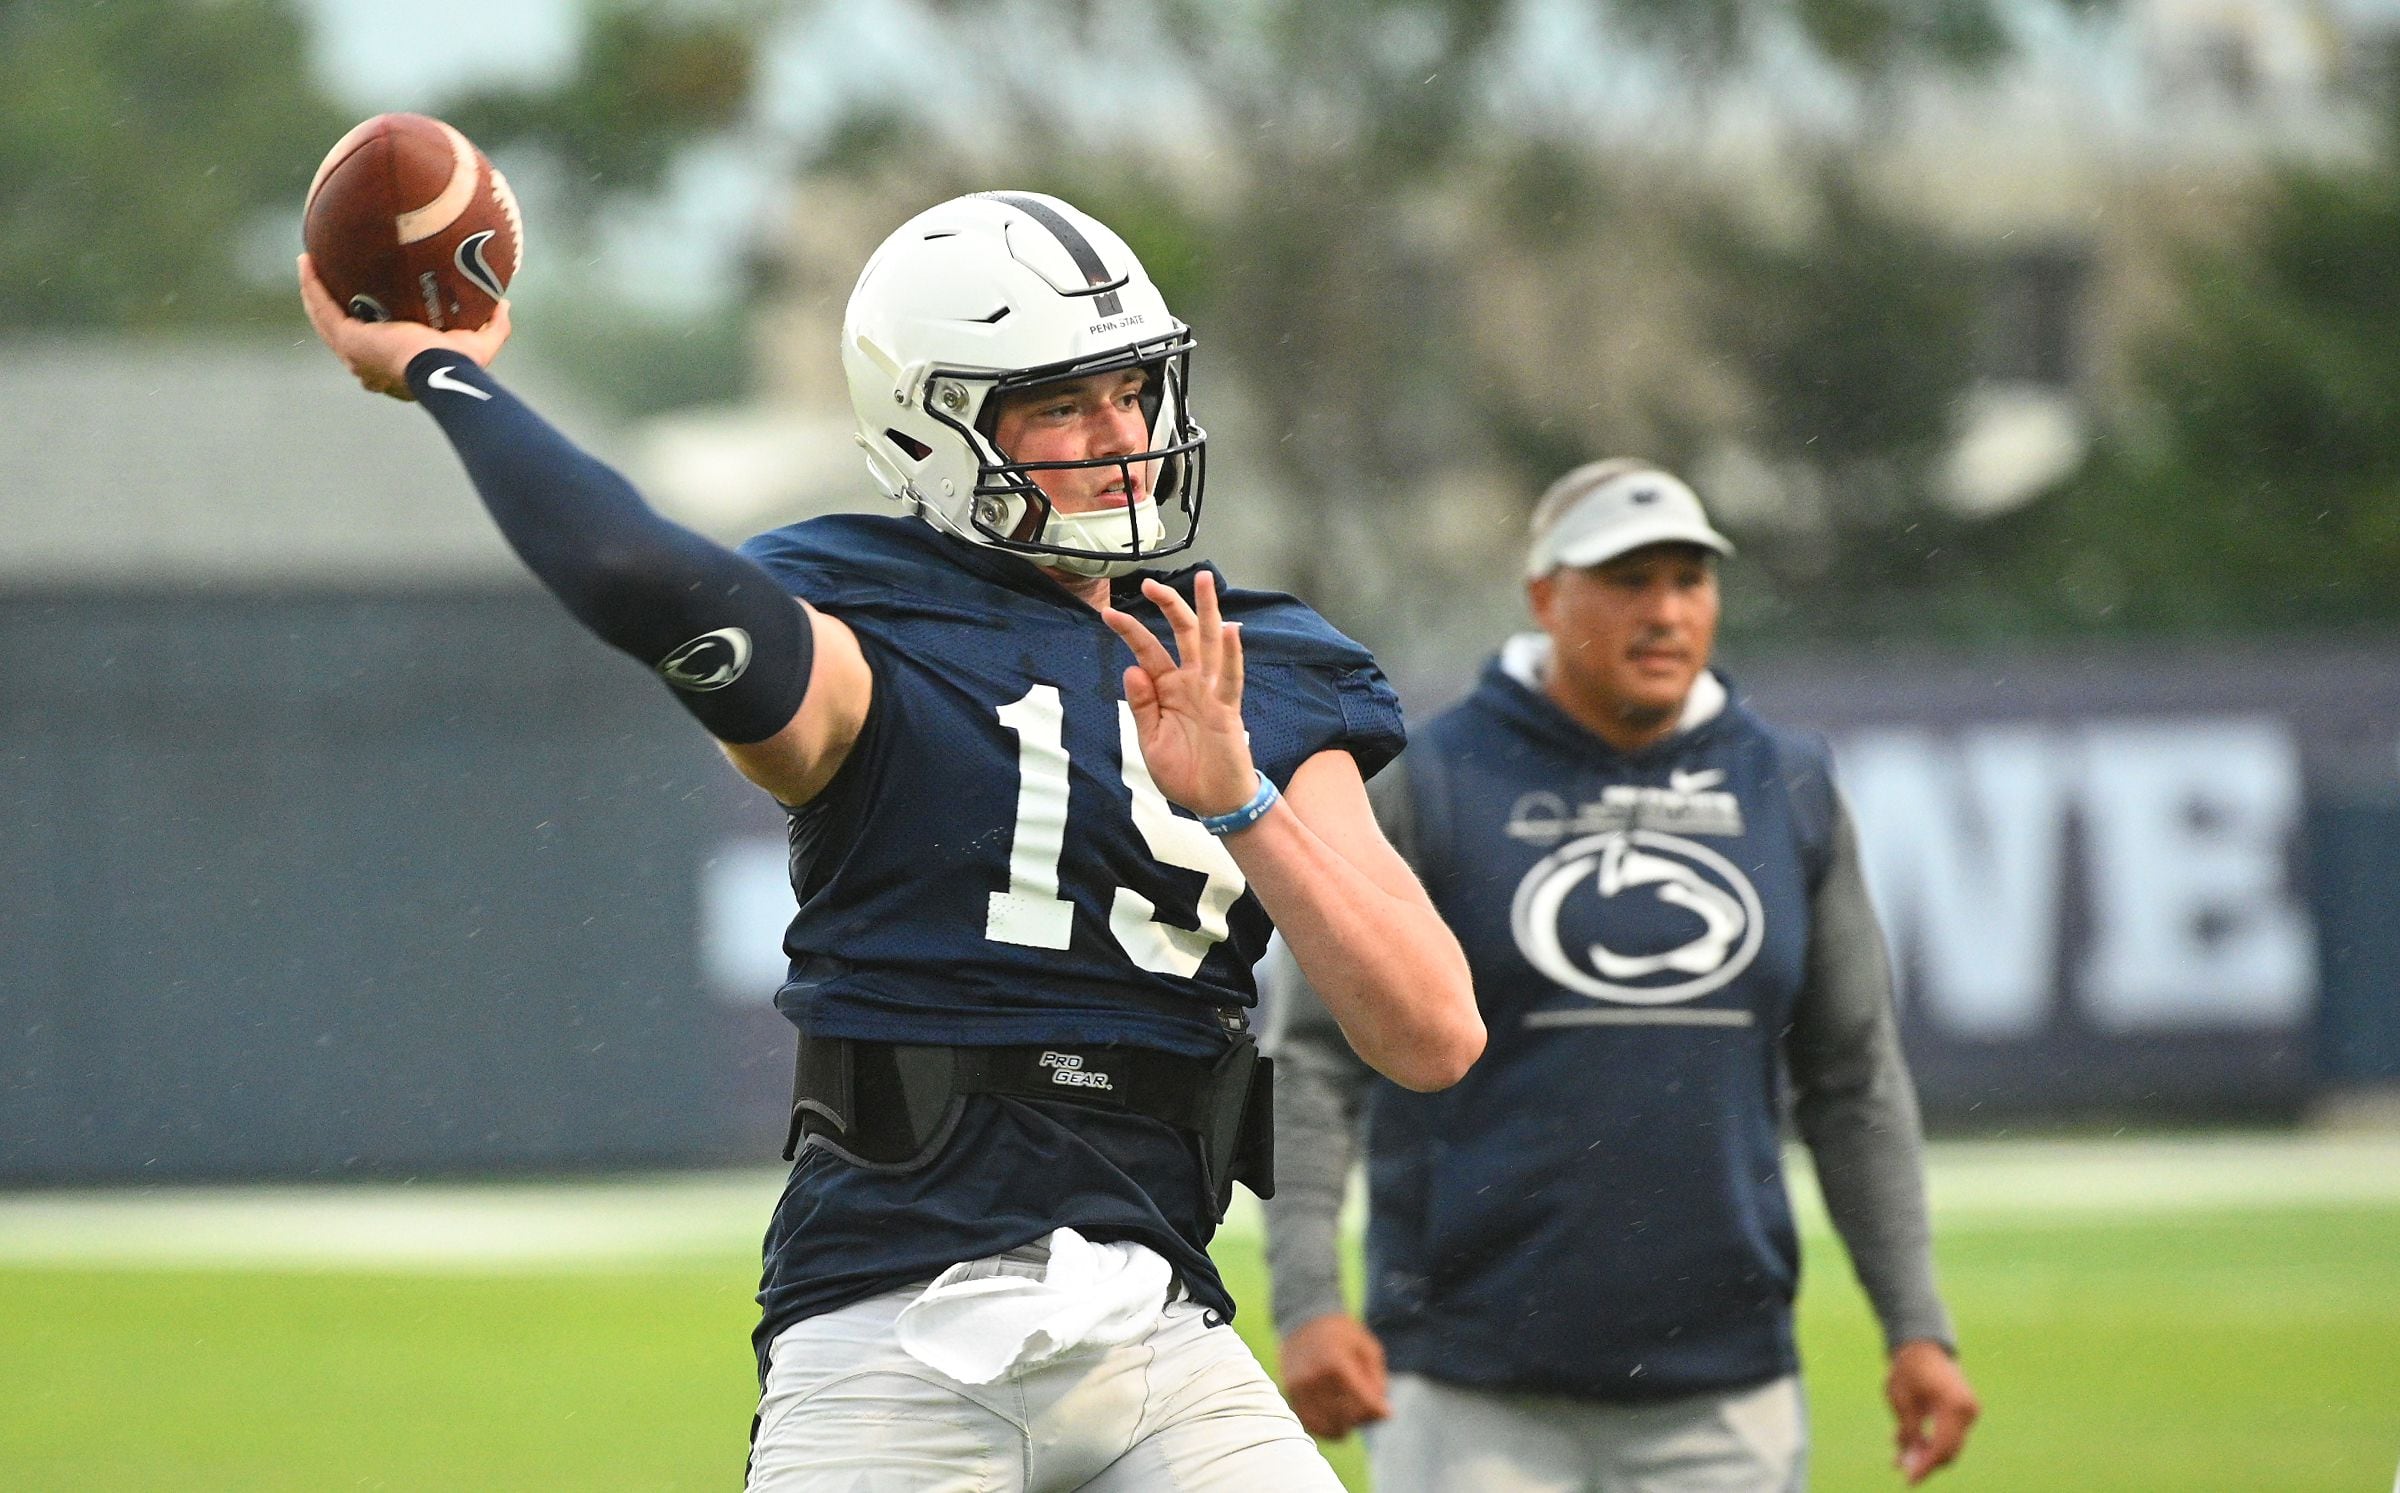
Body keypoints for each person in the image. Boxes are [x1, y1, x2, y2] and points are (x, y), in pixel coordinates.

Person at [299, 189, 1482, 1491]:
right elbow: (643, 578)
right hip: (891, 1320)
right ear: (933, 428)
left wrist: (1241, 799)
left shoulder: (1250, 657)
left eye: (1133, 390)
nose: (1119, 438)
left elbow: (1432, 1033)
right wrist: (437, 367)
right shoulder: (862, 621)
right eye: (1060, 404)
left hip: (1160, 1329)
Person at [1260, 458, 1980, 1491]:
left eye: (1689, 580)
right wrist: (1308, 1302)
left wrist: (1917, 1325)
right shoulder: (1432, 781)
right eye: (1628, 579)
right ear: (1546, 595)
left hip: (1728, 1387)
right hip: (1466, 1390)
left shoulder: (1790, 785)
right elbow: (1313, 1064)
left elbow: (1854, 1079)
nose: (1665, 611)